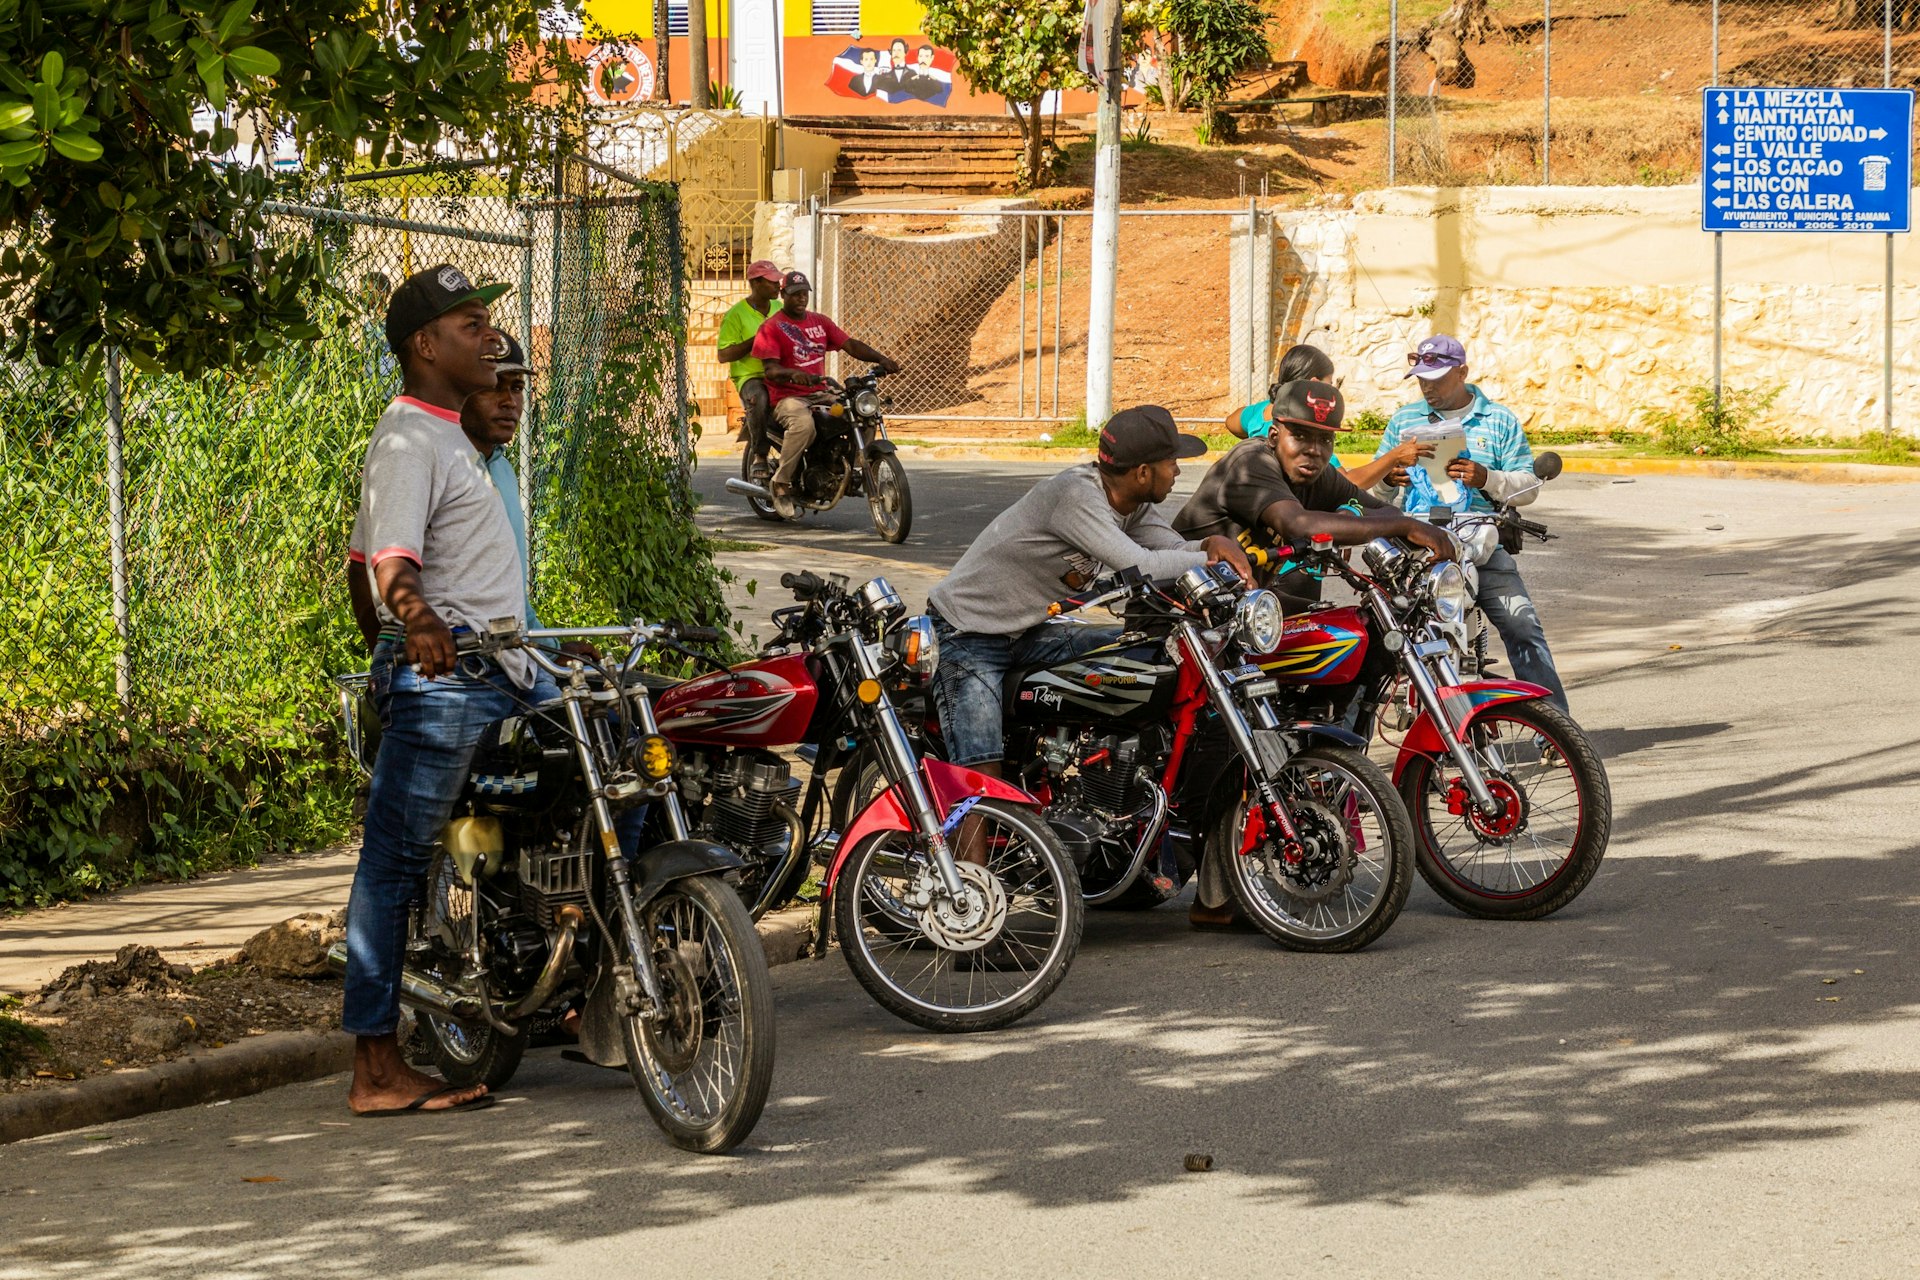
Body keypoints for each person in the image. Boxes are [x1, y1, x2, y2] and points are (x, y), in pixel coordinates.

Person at [340, 264, 559, 1117]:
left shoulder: (458, 441)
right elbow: (387, 562)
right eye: (470, 325)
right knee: (393, 864)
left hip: (504, 674)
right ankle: (377, 1066)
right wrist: (416, 619)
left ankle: (572, 978)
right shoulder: (407, 439)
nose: (490, 337)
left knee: (622, 763)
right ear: (425, 346)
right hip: (445, 680)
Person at [1172, 380, 1456, 931]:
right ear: (1275, 430)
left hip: (1244, 627)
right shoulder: (1251, 464)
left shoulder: (1317, 472)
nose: (1314, 450)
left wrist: (1428, 537)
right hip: (1182, 625)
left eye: (1324, 440)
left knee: (1319, 679)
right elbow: (1300, 524)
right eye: (1301, 436)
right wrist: (1403, 522)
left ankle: (1255, 861)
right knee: (1233, 742)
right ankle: (1213, 891)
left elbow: (1365, 509)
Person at [927, 405, 1253, 784]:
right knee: (982, 773)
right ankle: (965, 843)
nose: (1178, 470)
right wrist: (1209, 555)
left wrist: (1209, 547)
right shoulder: (1075, 496)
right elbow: (1139, 565)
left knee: (1142, 656)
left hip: (1029, 631)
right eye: (1172, 462)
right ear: (1143, 472)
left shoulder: (1132, 504)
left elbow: (1172, 550)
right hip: (967, 634)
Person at [1376, 334, 1569, 711]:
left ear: (1462, 372)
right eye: (1421, 379)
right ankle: (1348, 749)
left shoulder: (1499, 420)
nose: (1427, 387)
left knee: (1522, 626)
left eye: (1437, 378)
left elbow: (1528, 485)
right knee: (1381, 635)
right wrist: (1389, 478)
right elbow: (1377, 489)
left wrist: (1487, 479)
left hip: (1480, 543)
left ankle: (1557, 730)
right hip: (1417, 546)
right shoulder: (1404, 420)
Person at [751, 270, 900, 519]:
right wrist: (793, 374)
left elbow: (850, 344)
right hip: (789, 397)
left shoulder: (820, 322)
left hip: (821, 392)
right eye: (795, 293)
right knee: (803, 426)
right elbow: (771, 369)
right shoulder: (771, 327)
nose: (801, 298)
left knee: (862, 412)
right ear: (783, 295)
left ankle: (855, 467)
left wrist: (881, 358)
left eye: (804, 293)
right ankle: (781, 483)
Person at [716, 260, 783, 484]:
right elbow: (724, 354)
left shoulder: (779, 309)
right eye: (772, 282)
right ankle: (760, 455)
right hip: (751, 377)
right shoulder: (736, 314)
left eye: (778, 281)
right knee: (759, 398)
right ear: (756, 283)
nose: (777, 286)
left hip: (780, 372)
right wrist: (757, 341)